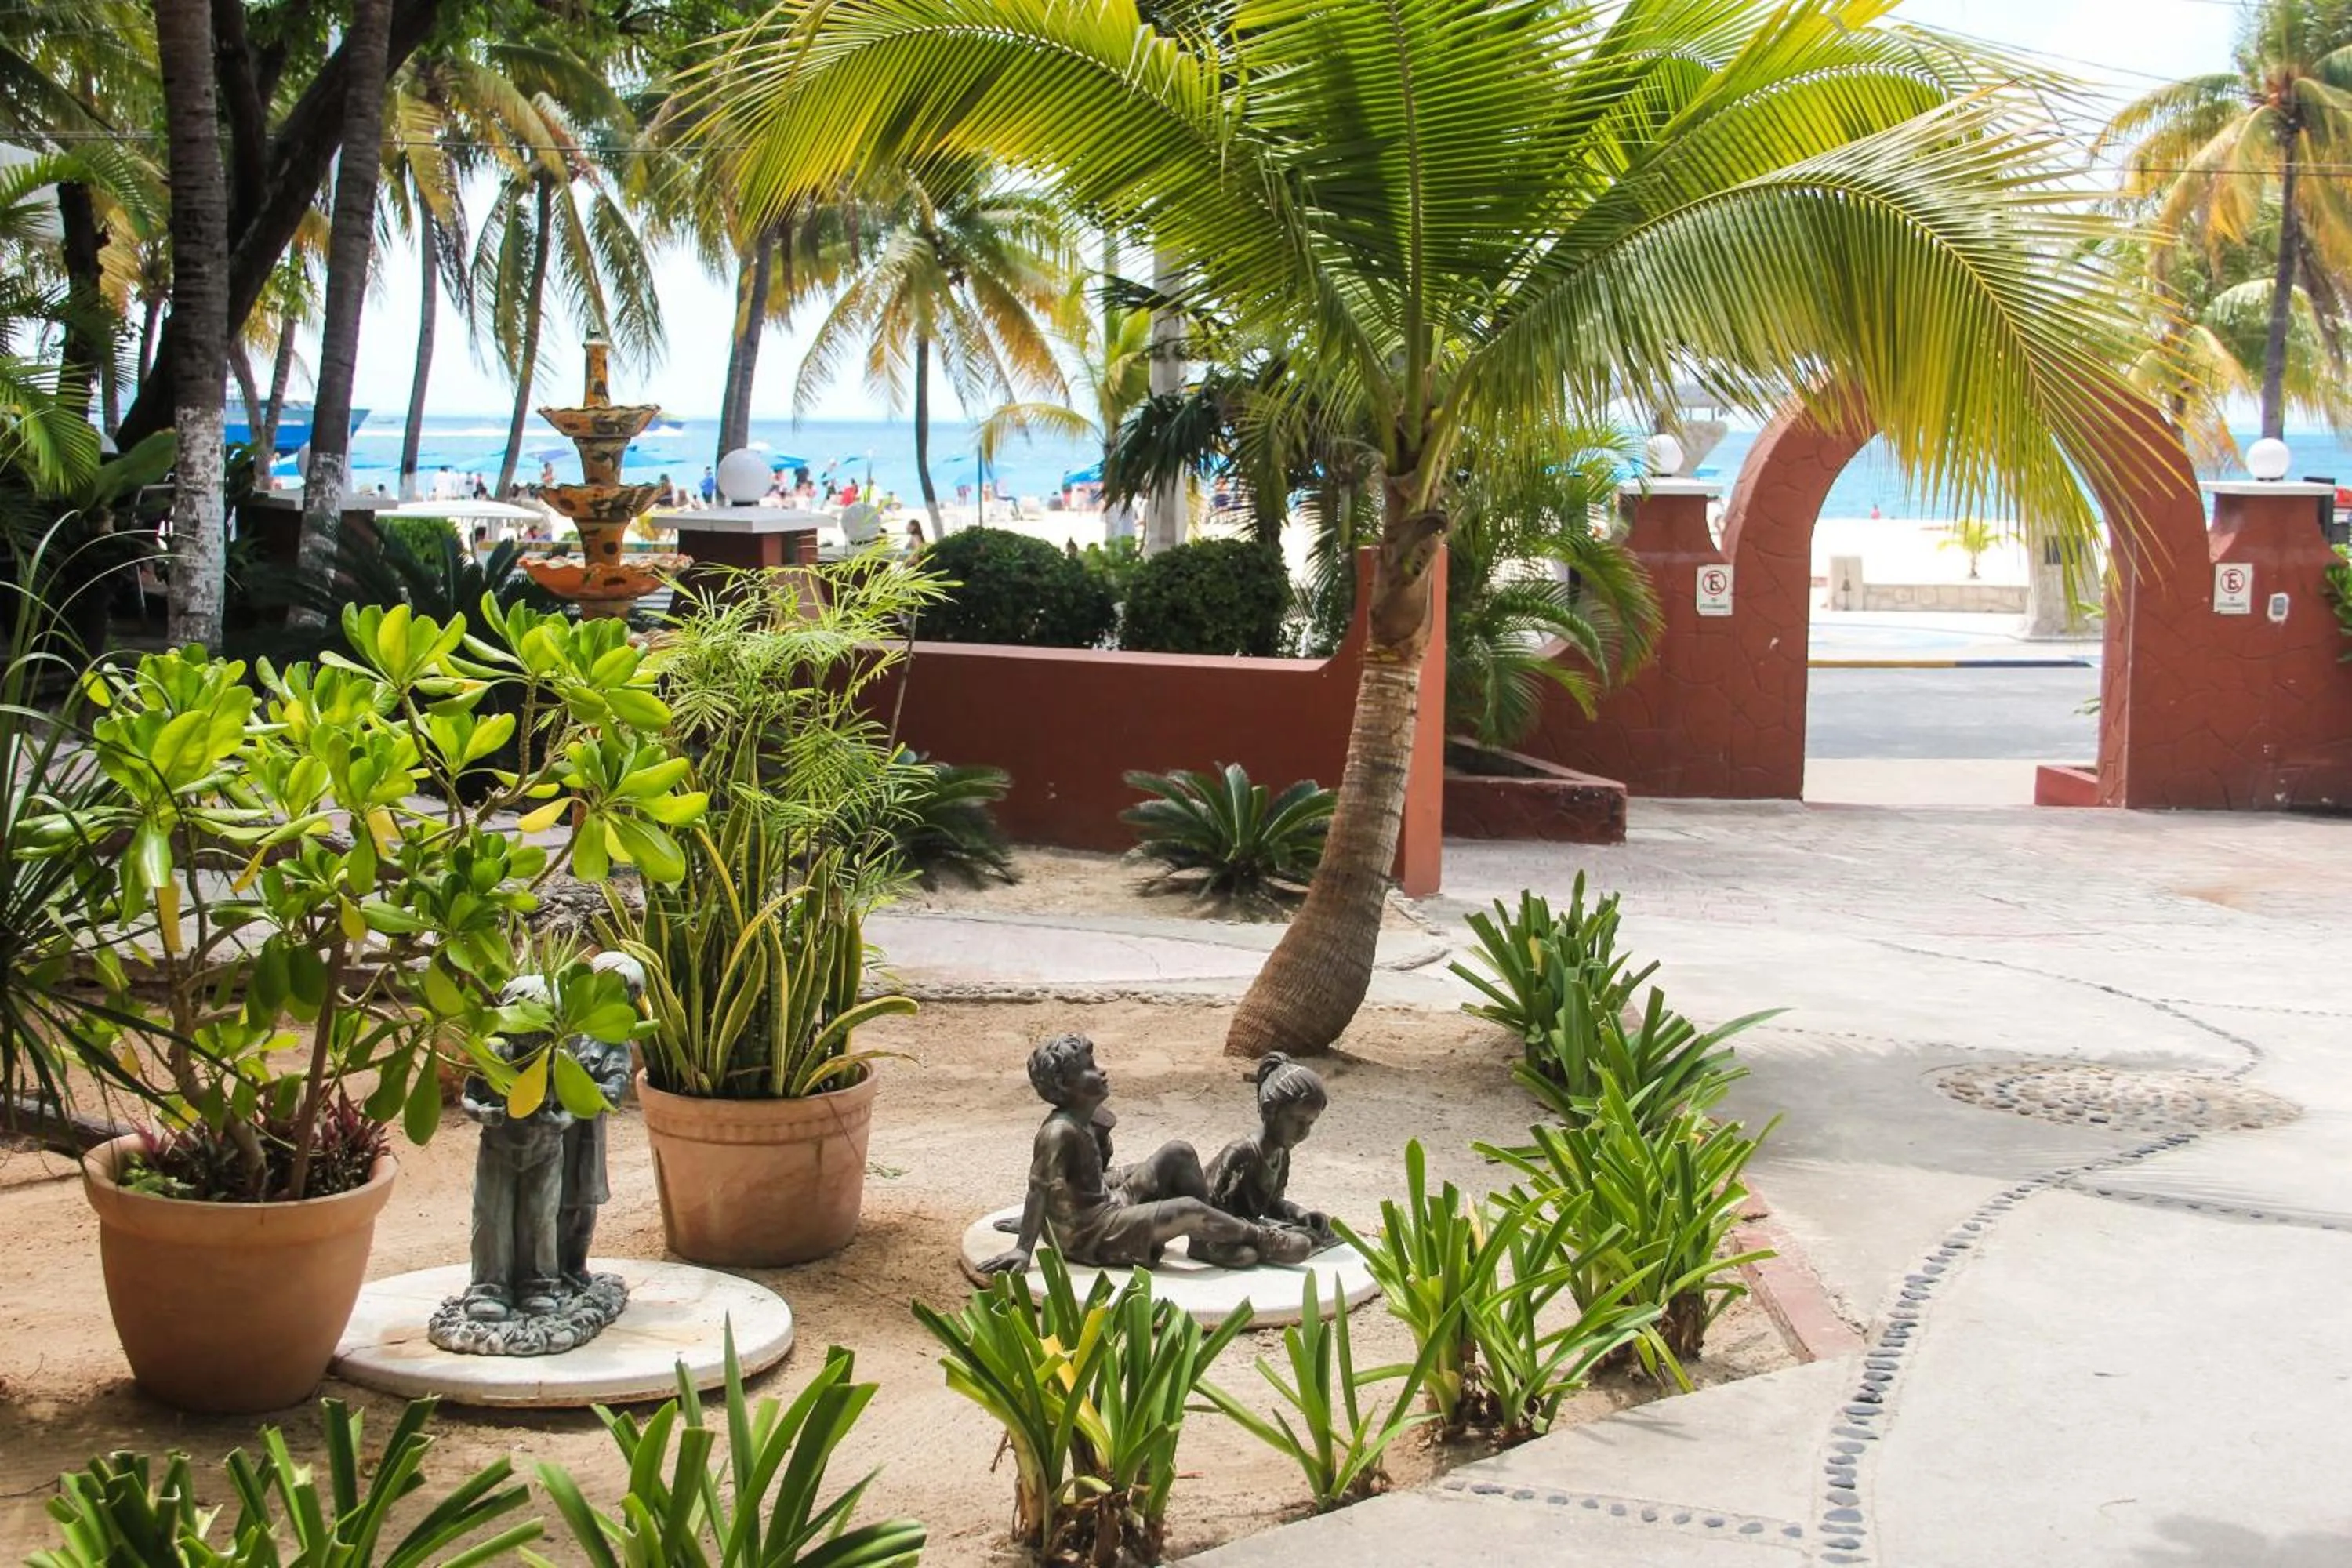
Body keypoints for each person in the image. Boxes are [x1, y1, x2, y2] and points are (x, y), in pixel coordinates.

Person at [979, 1034, 1314, 1274]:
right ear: (1066, 1085)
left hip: (1109, 1205)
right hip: (1092, 1233)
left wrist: (1038, 1222)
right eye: (1090, 1067)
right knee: (1185, 1209)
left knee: (1178, 1152)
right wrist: (1024, 1247)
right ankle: (1262, 1238)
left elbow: (1067, 1185)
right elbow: (1040, 1188)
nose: (1102, 1071)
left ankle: (1206, 1242)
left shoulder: (1085, 1120)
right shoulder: (1058, 1132)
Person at [1194, 1054, 1338, 1266]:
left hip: (1248, 1227)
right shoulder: (1241, 1154)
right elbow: (1213, 1212)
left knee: (1313, 1237)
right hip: (1215, 1231)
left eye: (1310, 1123)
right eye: (1298, 1121)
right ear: (1271, 1110)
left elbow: (1271, 1203)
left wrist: (1299, 1214)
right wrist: (1270, 1230)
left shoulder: (1281, 1154)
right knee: (1277, 1249)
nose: (1303, 1131)